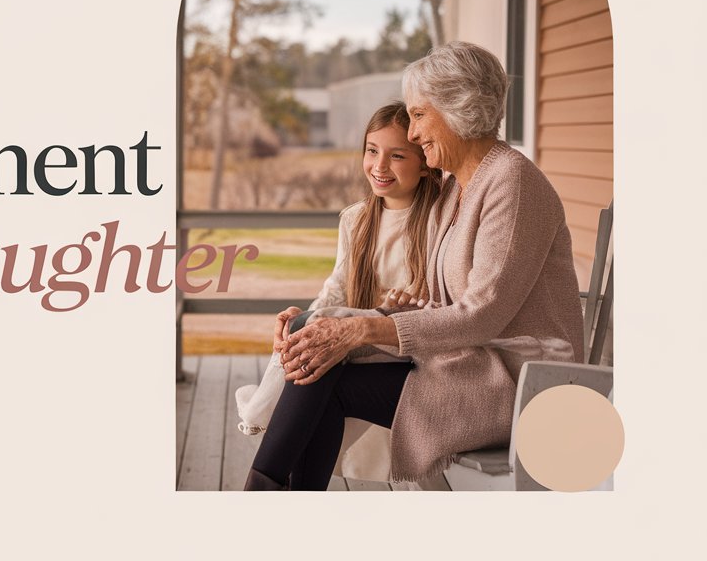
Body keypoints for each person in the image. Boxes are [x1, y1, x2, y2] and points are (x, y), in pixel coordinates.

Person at [244, 41, 584, 490]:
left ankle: (258, 503)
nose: (415, 132)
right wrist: (338, 323)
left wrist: (362, 329)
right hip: (467, 363)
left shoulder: (511, 182)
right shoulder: (455, 191)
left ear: (457, 107)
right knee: (319, 346)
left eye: (420, 115)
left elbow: (483, 313)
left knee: (329, 375)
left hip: (518, 378)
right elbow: (441, 304)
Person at [235, 102, 441, 480]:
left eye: (397, 156)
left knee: (312, 338)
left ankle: (260, 418)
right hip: (359, 344)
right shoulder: (357, 219)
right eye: (372, 151)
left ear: (424, 162)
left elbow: (440, 298)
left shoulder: (438, 221)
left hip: (406, 348)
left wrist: (407, 303)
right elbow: (336, 290)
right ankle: (275, 486)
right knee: (310, 336)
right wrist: (303, 315)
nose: (379, 167)